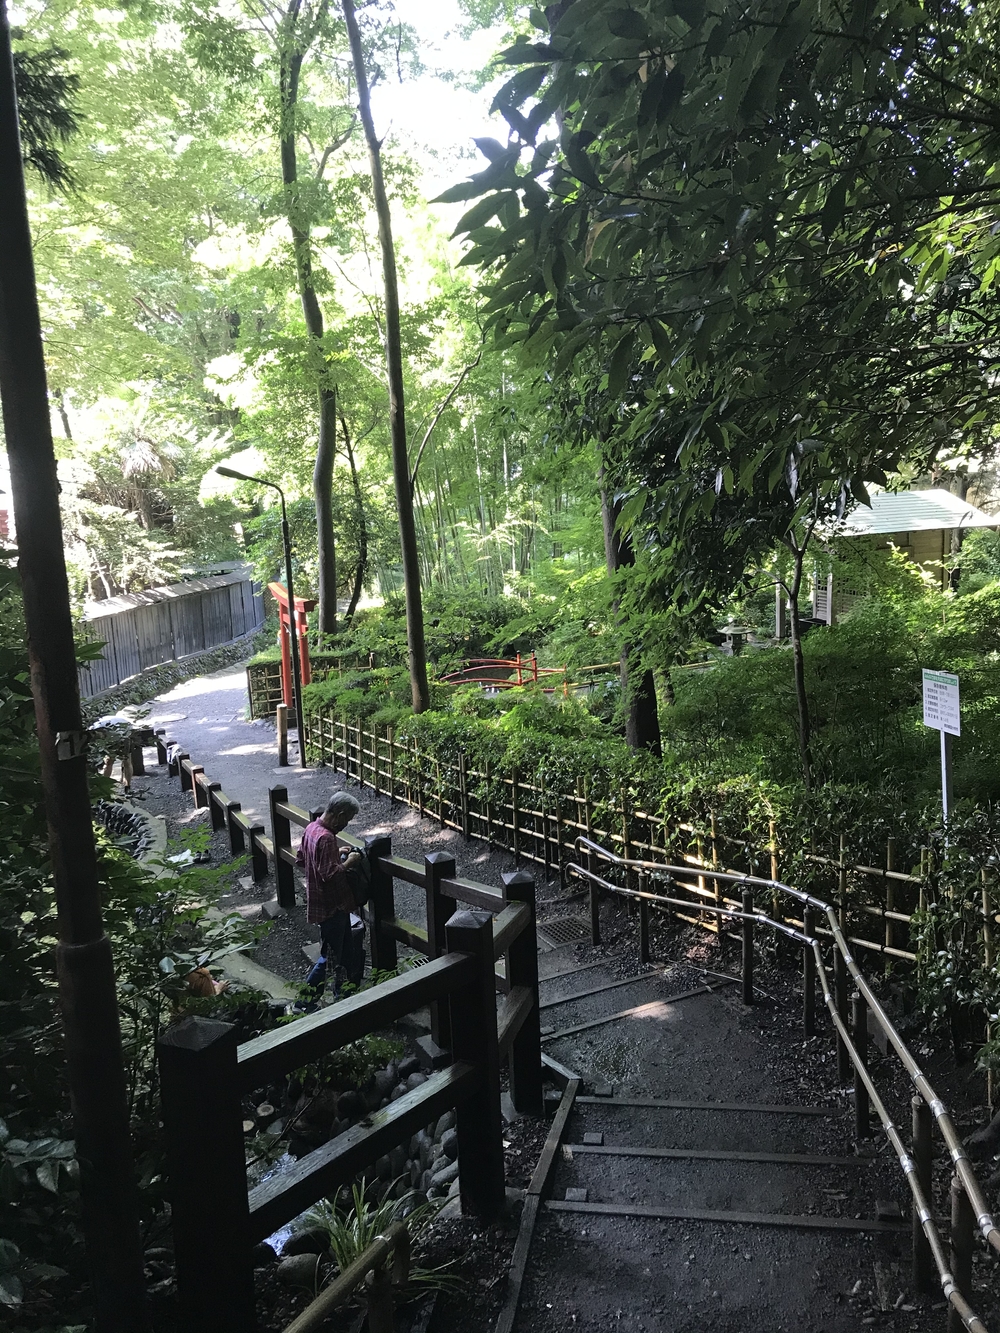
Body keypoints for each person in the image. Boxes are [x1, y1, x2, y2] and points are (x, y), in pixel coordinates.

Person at [295, 791, 363, 1008]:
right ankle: (304, 1001)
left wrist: (334, 854)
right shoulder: (326, 838)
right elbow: (330, 875)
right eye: (347, 819)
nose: (346, 824)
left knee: (347, 952)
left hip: (320, 904)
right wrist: (349, 861)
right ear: (339, 814)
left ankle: (343, 995)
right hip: (333, 906)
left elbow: (301, 859)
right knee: (329, 957)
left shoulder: (312, 828)